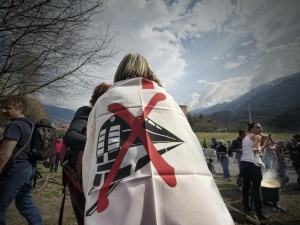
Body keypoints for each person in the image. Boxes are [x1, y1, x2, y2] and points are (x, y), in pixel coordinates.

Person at [82, 52, 234, 225]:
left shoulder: (105, 101)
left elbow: (90, 157)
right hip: (185, 195)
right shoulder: (167, 98)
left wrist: (90, 188)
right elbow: (191, 147)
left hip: (120, 196)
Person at [62, 82, 111, 225]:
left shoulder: (107, 115)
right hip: (79, 178)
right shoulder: (86, 112)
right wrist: (108, 144)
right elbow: (70, 137)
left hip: (97, 177)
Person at [0, 96, 42, 225]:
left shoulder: (15, 125)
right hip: (29, 168)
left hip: (15, 169)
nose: (3, 110)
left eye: (8, 108)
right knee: (25, 203)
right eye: (2, 107)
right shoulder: (29, 124)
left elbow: (5, 154)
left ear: (21, 109)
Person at [240, 122, 270, 221]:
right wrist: (264, 146)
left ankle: (246, 206)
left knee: (246, 186)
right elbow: (256, 150)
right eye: (258, 127)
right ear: (252, 129)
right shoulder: (257, 136)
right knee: (256, 189)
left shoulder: (245, 137)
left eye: (261, 127)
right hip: (252, 164)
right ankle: (259, 212)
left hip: (244, 164)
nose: (260, 129)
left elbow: (250, 150)